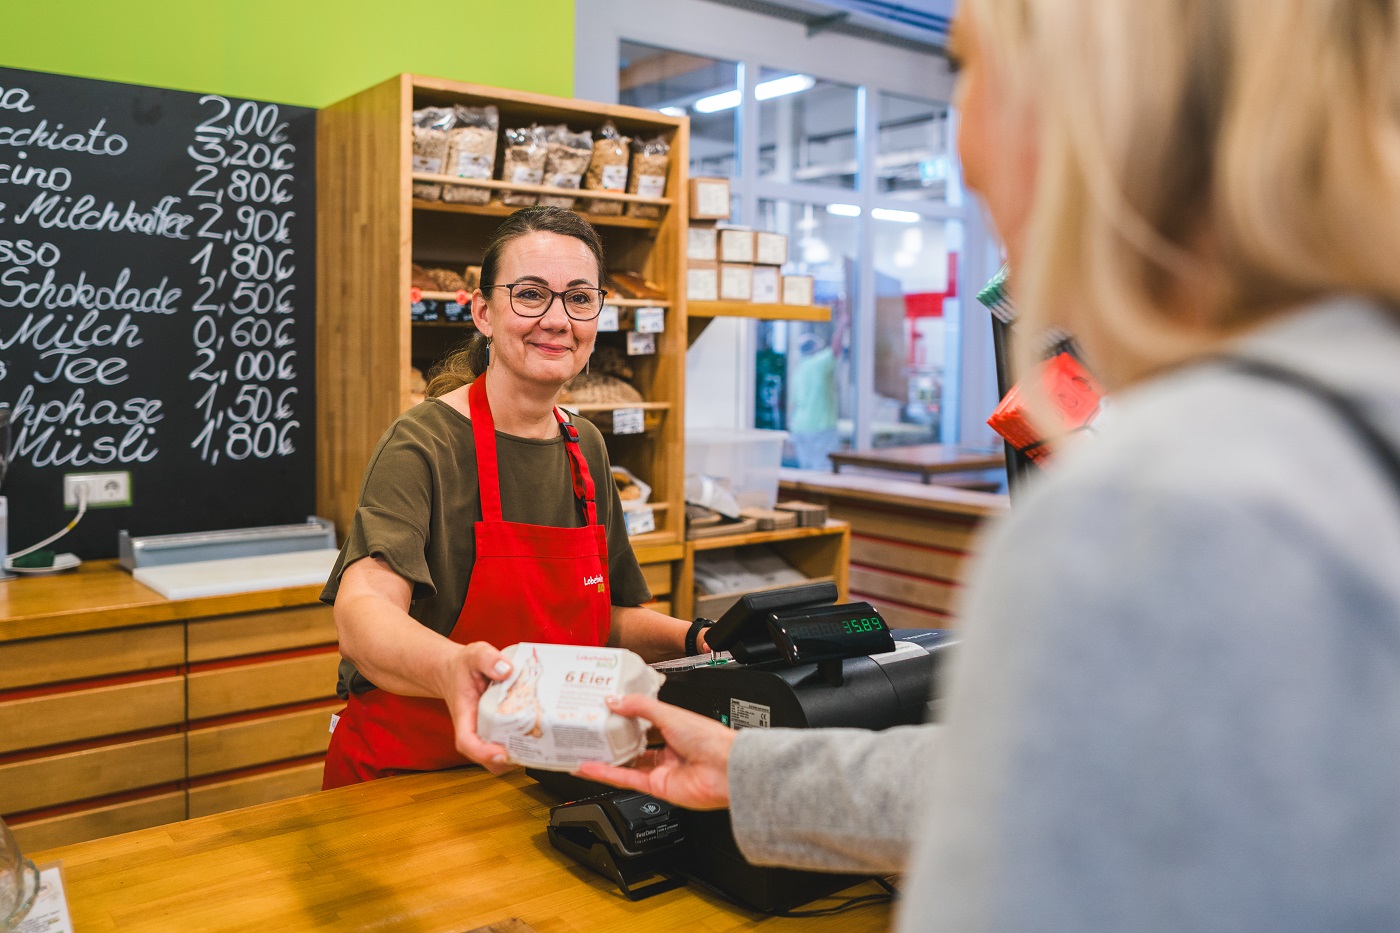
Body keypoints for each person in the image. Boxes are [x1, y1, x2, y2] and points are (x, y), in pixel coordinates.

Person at [576, 0, 1400, 929]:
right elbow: (1066, 783)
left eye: (971, 76)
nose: (962, 151)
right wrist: (752, 770)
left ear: (1094, 115)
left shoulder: (1152, 514)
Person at [321, 206, 708, 789]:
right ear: (483, 312)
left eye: (579, 298)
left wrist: (699, 640)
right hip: (413, 775)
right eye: (530, 294)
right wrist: (451, 667)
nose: (557, 319)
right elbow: (363, 613)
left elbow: (601, 622)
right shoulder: (424, 442)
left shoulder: (587, 448)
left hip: (546, 770)